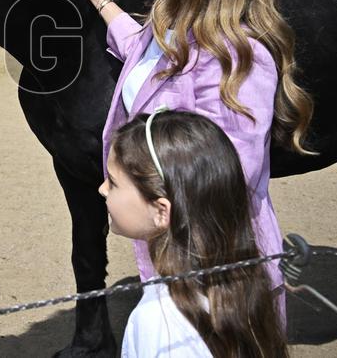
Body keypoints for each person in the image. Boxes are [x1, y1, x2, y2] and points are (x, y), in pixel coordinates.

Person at [65, 0, 313, 301]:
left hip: (217, 280)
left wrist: (127, 186)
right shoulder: (173, 25)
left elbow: (228, 174)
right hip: (172, 259)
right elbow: (139, 52)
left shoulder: (237, 57)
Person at [102, 109, 288, 357]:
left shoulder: (159, 321)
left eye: (113, 182)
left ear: (161, 211)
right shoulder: (241, 286)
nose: (102, 189)